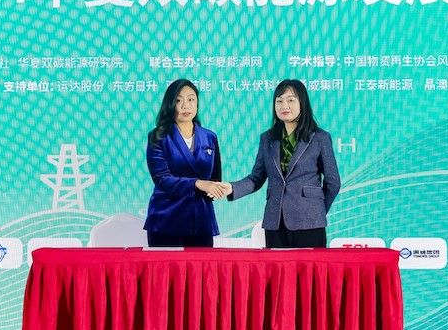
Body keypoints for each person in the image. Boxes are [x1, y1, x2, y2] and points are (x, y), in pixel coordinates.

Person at [223, 79, 340, 248]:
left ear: (302, 103)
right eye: (279, 101)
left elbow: (333, 182)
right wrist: (232, 188)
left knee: (309, 267)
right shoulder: (268, 138)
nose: (284, 106)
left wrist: (317, 211)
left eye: (291, 100)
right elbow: (257, 177)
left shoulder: (320, 138)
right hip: (275, 222)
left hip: (309, 223)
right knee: (276, 266)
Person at [144, 79, 226, 247]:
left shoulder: (209, 137)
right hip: (167, 219)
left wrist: (218, 189)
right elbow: (162, 179)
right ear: (170, 104)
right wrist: (198, 184)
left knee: (201, 265)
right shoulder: (158, 137)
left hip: (201, 221)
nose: (185, 106)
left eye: (191, 99)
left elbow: (215, 178)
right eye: (178, 100)